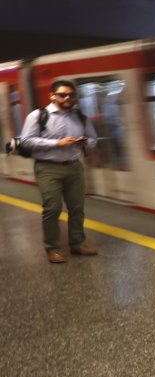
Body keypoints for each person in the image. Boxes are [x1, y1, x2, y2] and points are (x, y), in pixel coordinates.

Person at [20, 80, 99, 263]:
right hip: (48, 168)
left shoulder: (80, 117)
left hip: (74, 166)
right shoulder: (38, 116)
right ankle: (53, 248)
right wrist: (56, 143)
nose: (67, 98)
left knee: (77, 208)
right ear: (52, 96)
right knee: (52, 208)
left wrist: (85, 142)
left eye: (71, 95)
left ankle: (78, 243)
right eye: (62, 94)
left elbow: (94, 139)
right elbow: (26, 141)